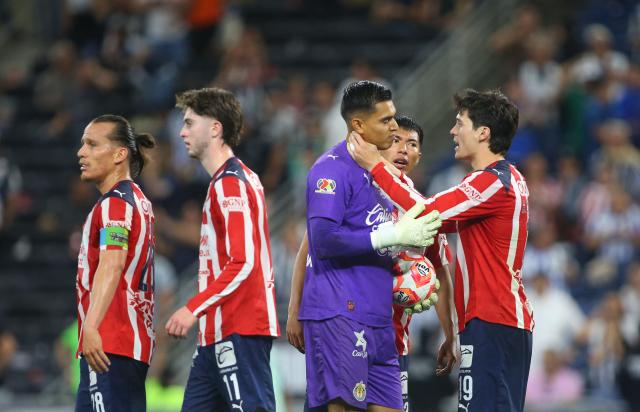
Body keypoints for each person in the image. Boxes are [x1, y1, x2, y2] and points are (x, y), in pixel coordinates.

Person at [348, 89, 534, 412]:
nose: (453, 131)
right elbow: (437, 230)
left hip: (494, 320)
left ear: (483, 132)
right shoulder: (505, 179)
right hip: (495, 322)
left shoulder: (492, 182)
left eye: (460, 123)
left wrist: (375, 166)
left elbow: (427, 213)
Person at [286, 115, 457, 412]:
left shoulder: (420, 209)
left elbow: (440, 270)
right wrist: (293, 311)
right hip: (342, 327)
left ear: (419, 156)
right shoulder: (357, 191)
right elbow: (309, 249)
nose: (403, 149)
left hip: (392, 343)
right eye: (396, 141)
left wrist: (450, 332)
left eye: (412, 144)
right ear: (379, 148)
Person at [165, 87, 280, 412]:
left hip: (240, 327)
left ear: (215, 128)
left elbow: (243, 261)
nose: (182, 132)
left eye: (189, 123)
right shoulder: (228, 181)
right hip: (215, 333)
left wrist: (192, 308)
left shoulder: (231, 183)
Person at [75, 114, 157, 412]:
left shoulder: (115, 203)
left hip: (109, 343)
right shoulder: (138, 201)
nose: (81, 152)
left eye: (92, 144)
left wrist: (92, 327)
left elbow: (112, 263)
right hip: (129, 343)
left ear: (120, 154)